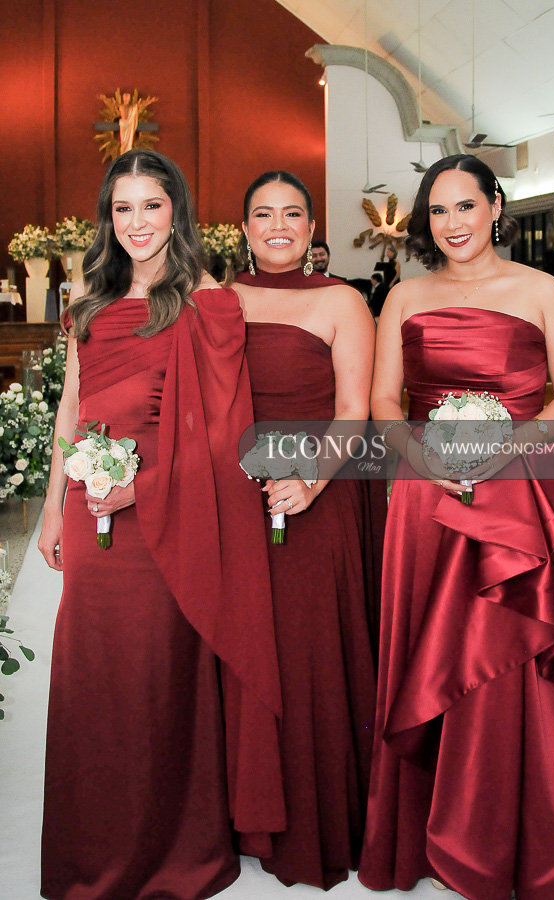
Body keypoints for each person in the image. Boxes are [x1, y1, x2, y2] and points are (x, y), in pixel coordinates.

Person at [358, 154, 554, 900]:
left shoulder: (541, 291)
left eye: (466, 206)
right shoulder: (404, 297)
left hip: (516, 491)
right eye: (438, 211)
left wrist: (505, 450)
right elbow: (384, 402)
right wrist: (422, 457)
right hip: (426, 497)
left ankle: (523, 833)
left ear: (496, 206)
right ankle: (426, 831)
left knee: (509, 655)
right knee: (429, 652)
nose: (453, 224)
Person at [38, 149, 284, 900]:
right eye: (123, 208)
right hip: (89, 509)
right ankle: (94, 848)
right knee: (92, 674)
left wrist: (138, 489)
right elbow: (72, 408)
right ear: (107, 218)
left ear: (177, 211)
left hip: (165, 514)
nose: (137, 222)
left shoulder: (207, 300)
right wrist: (53, 506)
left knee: (155, 674)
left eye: (152, 205)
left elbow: (222, 431)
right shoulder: (90, 298)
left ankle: (169, 848)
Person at [231, 170, 384, 890]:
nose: (278, 226)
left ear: (313, 227)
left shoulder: (342, 300)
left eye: (292, 213)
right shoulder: (215, 299)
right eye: (263, 214)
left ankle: (317, 819)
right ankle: (245, 812)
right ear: (244, 229)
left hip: (319, 492)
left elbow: (355, 410)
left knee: (308, 651)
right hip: (235, 498)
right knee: (242, 647)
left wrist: (310, 480)